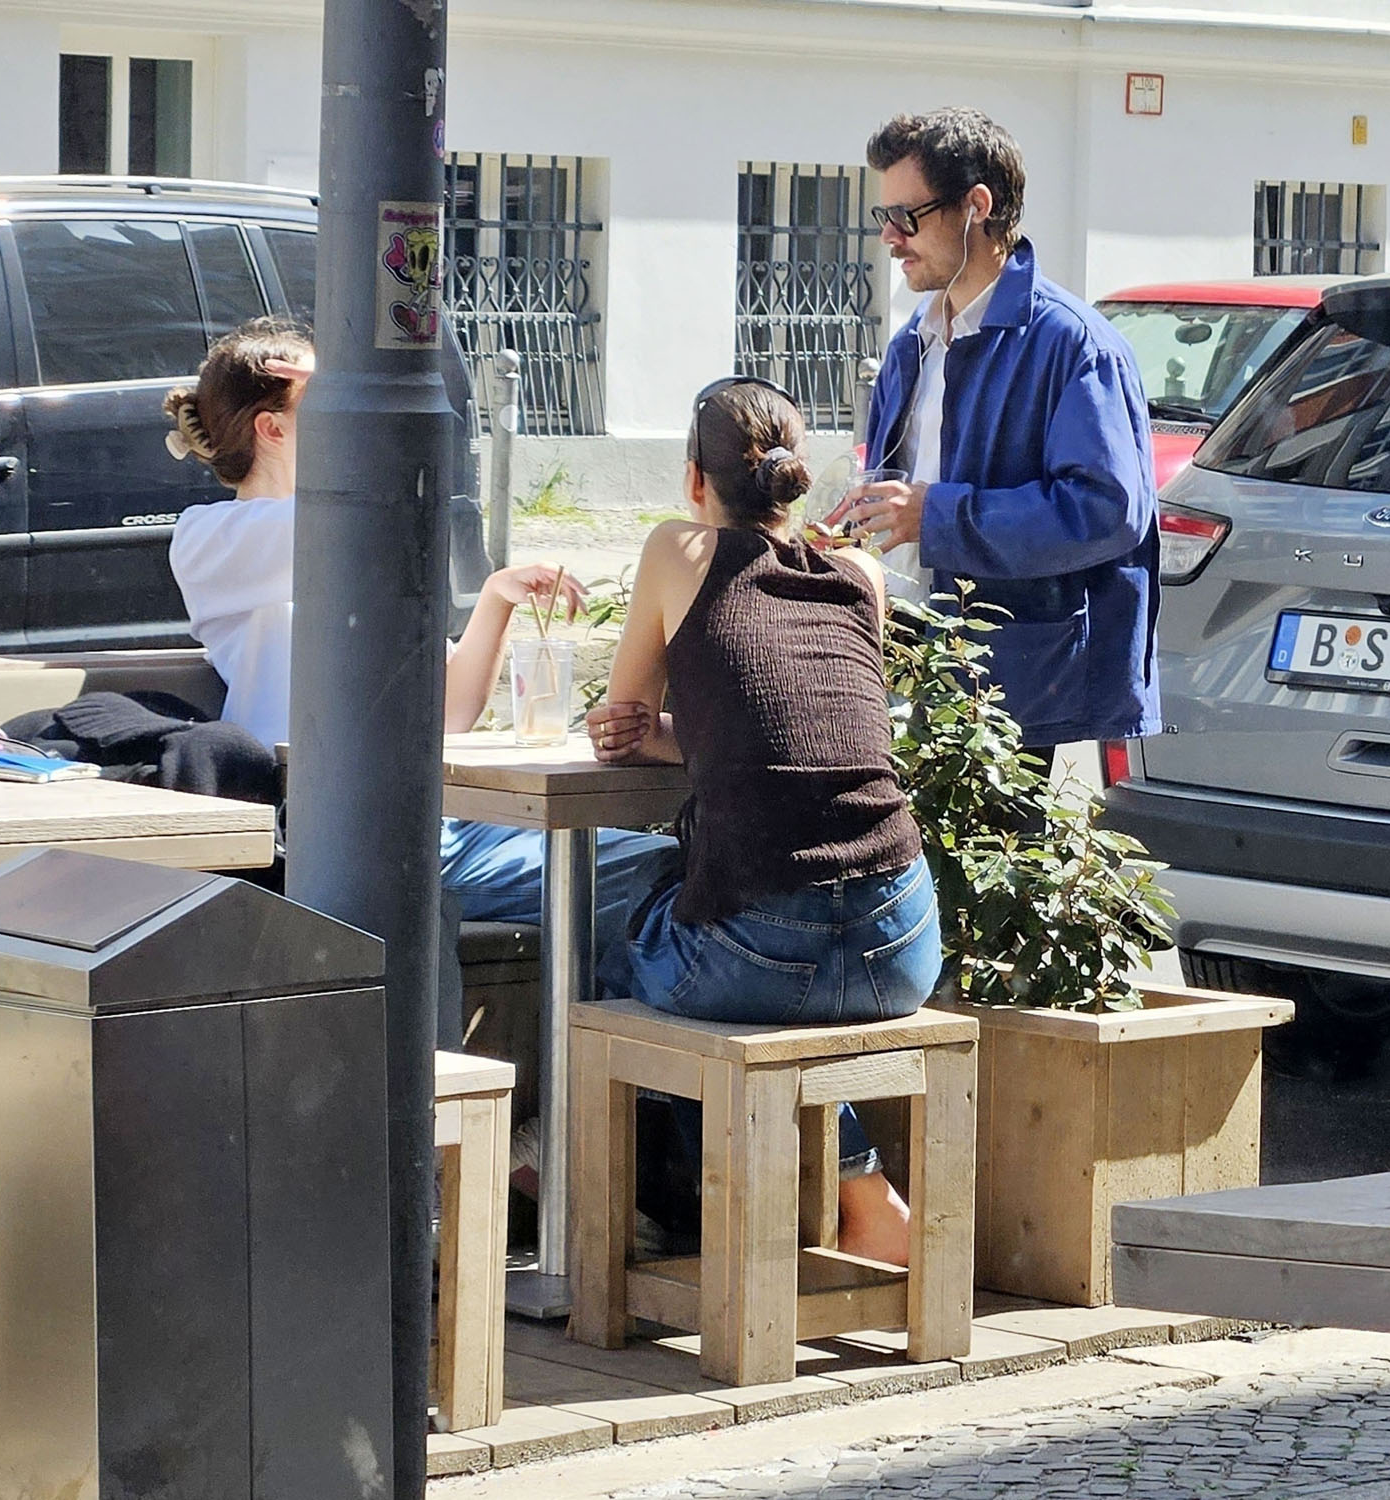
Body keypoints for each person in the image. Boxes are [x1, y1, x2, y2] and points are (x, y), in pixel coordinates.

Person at [162, 317, 671, 1044]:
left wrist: (495, 599)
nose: (355, 414)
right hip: (335, 830)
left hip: (427, 819)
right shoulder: (211, 538)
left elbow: (451, 712)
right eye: (330, 400)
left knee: (649, 869)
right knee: (640, 878)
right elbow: (351, 515)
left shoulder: (362, 533)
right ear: (272, 429)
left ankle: (601, 1091)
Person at [586, 376, 941, 1266]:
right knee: (738, 956)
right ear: (796, 478)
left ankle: (709, 1223)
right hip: (902, 946)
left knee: (613, 950)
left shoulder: (677, 549)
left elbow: (625, 719)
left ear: (693, 479)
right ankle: (855, 1197)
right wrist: (669, 736)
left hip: (759, 951)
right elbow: (809, 728)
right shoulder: (860, 576)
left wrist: (638, 732)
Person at [836, 107, 1160, 769]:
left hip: (1008, 681)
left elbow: (1106, 511)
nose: (889, 236)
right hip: (897, 654)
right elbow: (898, 483)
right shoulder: (912, 341)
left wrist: (935, 516)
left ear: (976, 206)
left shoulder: (1075, 345)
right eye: (883, 216)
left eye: (905, 216)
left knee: (988, 840)